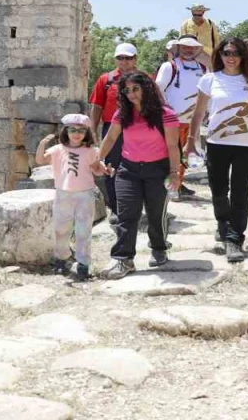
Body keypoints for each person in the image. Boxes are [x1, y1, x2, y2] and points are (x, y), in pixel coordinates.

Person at [186, 38, 248, 263]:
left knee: (240, 192)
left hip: (246, 146)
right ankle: (223, 224)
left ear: (244, 56)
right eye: (226, 52)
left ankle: (234, 238)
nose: (231, 57)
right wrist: (190, 140)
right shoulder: (209, 80)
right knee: (218, 190)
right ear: (219, 55)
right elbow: (199, 111)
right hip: (217, 144)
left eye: (236, 53)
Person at [96, 72, 181, 280]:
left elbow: (172, 145)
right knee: (126, 215)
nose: (131, 94)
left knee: (155, 214)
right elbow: (110, 138)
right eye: (126, 90)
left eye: (135, 89)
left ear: (147, 88)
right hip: (128, 170)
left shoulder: (166, 114)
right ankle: (123, 258)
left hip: (157, 170)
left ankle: (159, 247)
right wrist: (98, 159)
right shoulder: (122, 114)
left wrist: (174, 172)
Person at [35, 114, 99, 281]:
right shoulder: (57, 150)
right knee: (61, 229)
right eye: (72, 130)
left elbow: (97, 169)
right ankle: (61, 259)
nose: (76, 134)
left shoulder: (91, 151)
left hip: (85, 194)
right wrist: (42, 144)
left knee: (83, 230)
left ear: (86, 133)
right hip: (63, 193)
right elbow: (40, 160)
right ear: (66, 131)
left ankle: (83, 264)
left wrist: (106, 169)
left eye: (81, 130)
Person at [88, 43, 139, 221]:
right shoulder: (106, 79)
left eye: (128, 58)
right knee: (111, 167)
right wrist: (92, 129)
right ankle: (116, 207)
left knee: (137, 166)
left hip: (137, 128)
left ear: (135, 59)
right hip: (111, 129)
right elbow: (96, 106)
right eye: (120, 58)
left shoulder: (143, 79)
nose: (124, 61)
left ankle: (133, 205)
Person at [153, 35, 205, 199]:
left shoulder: (202, 68)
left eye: (191, 47)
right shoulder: (170, 66)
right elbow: (158, 89)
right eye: (184, 47)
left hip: (192, 120)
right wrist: (166, 109)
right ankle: (169, 187)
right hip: (171, 120)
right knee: (170, 153)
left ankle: (178, 184)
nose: (188, 50)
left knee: (186, 154)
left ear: (197, 49)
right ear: (178, 48)